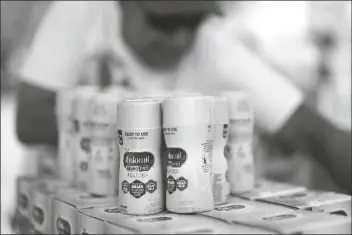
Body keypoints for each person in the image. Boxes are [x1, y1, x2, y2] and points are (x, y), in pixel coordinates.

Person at [16, 1, 350, 193]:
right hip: (63, 205)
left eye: (193, 20)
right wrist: (162, 122)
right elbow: (28, 121)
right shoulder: (79, 12)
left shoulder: (214, 44)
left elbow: (318, 134)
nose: (179, 38)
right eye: (163, 21)